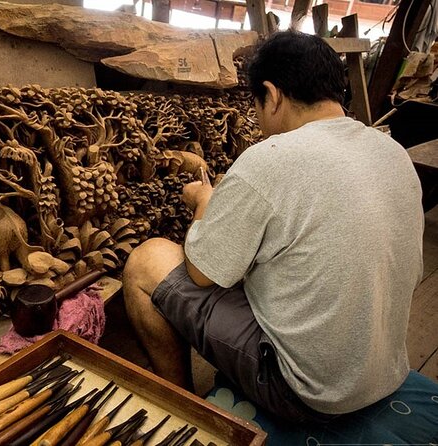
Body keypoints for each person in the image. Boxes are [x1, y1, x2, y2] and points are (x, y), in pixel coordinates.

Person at [122, 31, 424, 423]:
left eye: (258, 106)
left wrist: (204, 204)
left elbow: (200, 274)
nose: (260, 121)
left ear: (272, 93)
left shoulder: (269, 159)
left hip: (308, 395)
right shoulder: (393, 151)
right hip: (383, 373)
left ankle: (180, 404)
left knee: (147, 261)